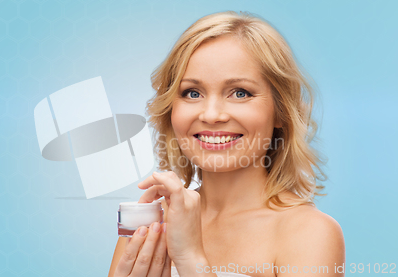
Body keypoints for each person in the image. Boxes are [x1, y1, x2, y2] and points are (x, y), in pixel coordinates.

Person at [108, 10, 345, 277]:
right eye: (192, 93)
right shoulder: (151, 223)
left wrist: (190, 259)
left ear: (280, 112)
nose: (211, 115)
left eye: (240, 93)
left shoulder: (310, 233)